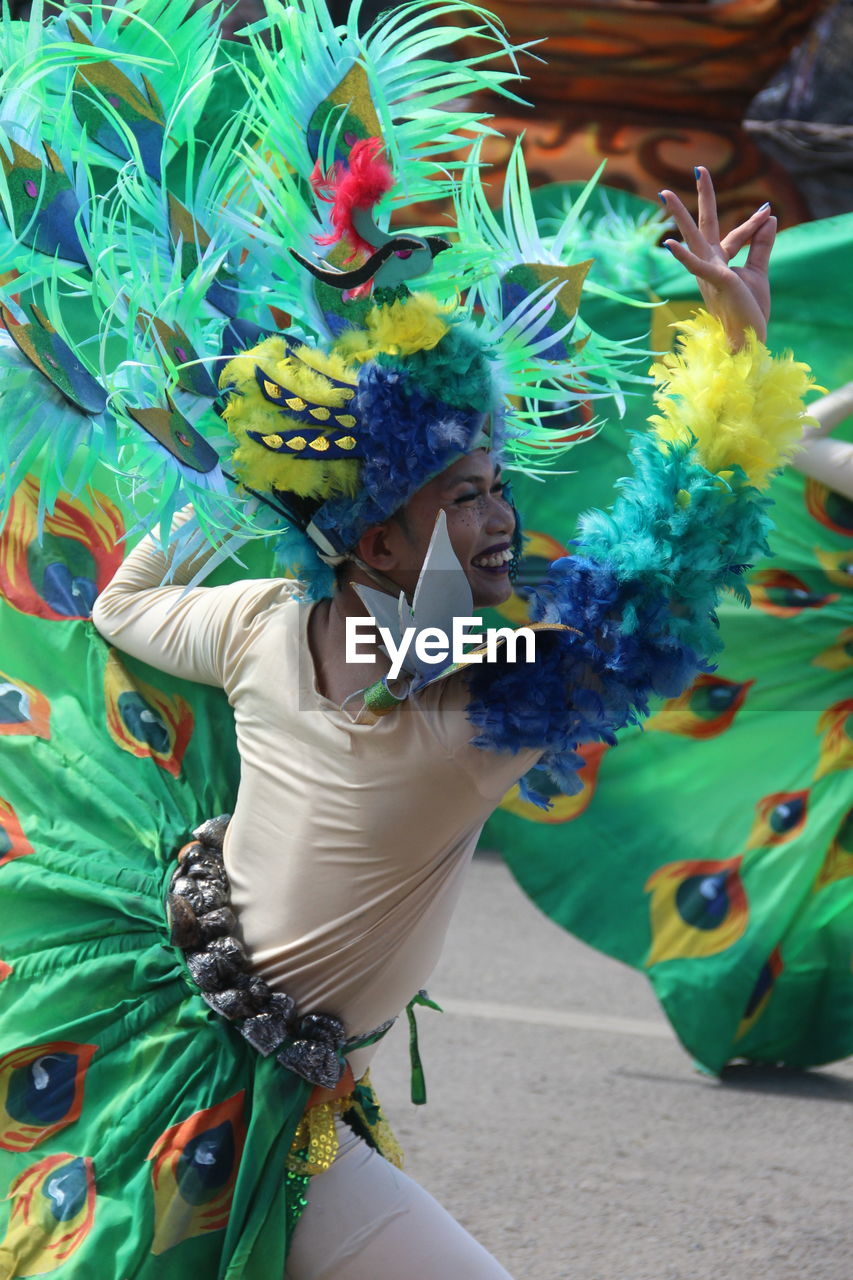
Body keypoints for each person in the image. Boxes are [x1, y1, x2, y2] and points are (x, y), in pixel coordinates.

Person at [0, 4, 813, 1277]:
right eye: (464, 496)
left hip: (294, 1089)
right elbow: (118, 610)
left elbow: (636, 609)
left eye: (499, 485)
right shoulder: (357, 654)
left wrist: (734, 366)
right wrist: (209, 491)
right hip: (203, 1082)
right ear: (375, 541)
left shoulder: (399, 656)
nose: (503, 519)